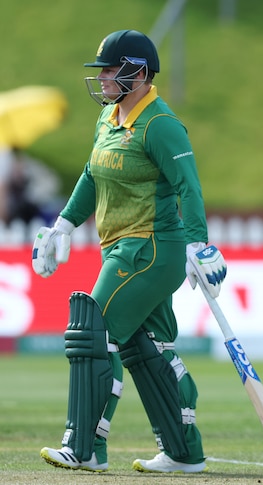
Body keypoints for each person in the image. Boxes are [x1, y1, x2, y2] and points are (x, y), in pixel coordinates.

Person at [32, 29, 227, 474]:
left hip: (151, 248)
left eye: (109, 69)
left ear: (137, 73)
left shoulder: (160, 125)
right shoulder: (110, 117)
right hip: (121, 245)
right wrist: (64, 223)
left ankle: (85, 448)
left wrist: (198, 243)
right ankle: (183, 452)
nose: (101, 78)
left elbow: (188, 187)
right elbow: (91, 174)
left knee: (92, 330)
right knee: (146, 346)